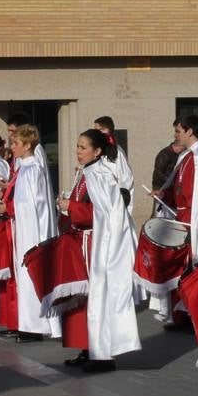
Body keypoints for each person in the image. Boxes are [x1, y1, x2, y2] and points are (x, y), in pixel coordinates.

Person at [57, 129, 141, 371]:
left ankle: (102, 354)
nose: (78, 151)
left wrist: (70, 206)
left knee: (99, 298)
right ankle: (89, 347)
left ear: (98, 151)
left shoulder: (101, 175)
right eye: (77, 146)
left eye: (83, 147)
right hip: (85, 242)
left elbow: (103, 214)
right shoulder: (89, 172)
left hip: (99, 245)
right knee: (85, 300)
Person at [150, 115, 198, 324]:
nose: (175, 135)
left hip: (196, 220)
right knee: (180, 270)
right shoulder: (186, 157)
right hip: (182, 220)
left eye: (178, 131)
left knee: (194, 269)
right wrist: (164, 194)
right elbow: (179, 189)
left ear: (190, 131)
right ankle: (182, 314)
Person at [0, 125, 60, 342]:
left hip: (31, 231)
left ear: (27, 145)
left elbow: (31, 206)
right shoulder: (24, 169)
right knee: (23, 277)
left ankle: (34, 326)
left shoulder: (33, 170)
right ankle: (26, 323)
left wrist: (7, 209)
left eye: (16, 143)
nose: (12, 147)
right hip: (23, 228)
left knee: (30, 277)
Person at [93, 116, 134, 212]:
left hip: (113, 204)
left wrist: (116, 203)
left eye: (98, 130)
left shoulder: (117, 152)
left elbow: (125, 180)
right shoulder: (98, 151)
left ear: (107, 130)